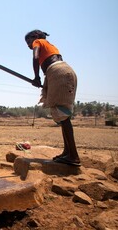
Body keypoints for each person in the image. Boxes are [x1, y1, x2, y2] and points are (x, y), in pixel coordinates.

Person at [25, 29, 81, 166]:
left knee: (63, 116)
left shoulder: (39, 42)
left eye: (28, 41)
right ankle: (67, 153)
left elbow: (36, 57)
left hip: (57, 72)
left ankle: (73, 155)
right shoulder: (50, 45)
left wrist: (37, 77)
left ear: (36, 37)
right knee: (63, 115)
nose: (28, 45)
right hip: (64, 71)